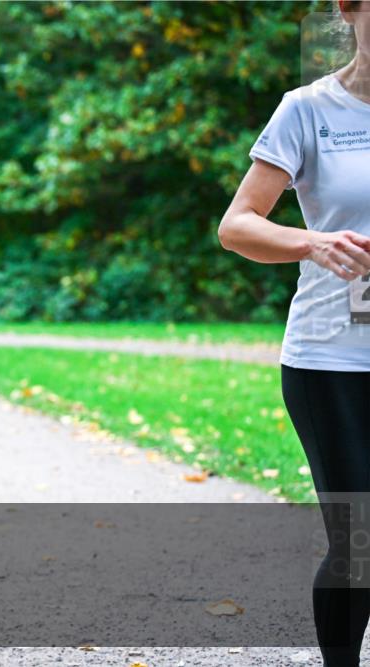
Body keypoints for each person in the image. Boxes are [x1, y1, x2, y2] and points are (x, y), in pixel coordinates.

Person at [219, 3, 369, 664]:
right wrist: (312, 242)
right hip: (331, 359)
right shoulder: (307, 109)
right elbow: (239, 224)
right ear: (350, 12)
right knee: (361, 537)